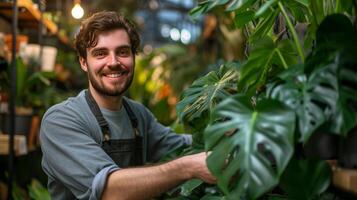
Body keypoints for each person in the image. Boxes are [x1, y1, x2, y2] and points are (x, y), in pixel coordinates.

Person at [40, 11, 215, 200]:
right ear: (84, 62)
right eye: (100, 54)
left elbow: (180, 145)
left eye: (122, 52)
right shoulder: (61, 121)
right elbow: (108, 190)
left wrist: (226, 135)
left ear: (133, 57)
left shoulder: (137, 115)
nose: (113, 62)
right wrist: (187, 167)